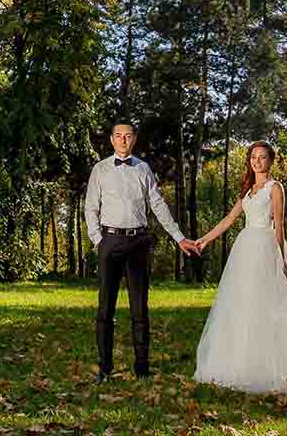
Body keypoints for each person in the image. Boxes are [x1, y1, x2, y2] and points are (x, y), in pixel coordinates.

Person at [192, 140, 287, 393]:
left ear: (270, 161)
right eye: (253, 157)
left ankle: (278, 366)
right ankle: (239, 362)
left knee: (271, 304)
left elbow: (280, 224)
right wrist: (205, 239)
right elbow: (230, 219)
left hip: (265, 246)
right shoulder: (248, 190)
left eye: (262, 157)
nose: (257, 161)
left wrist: (282, 257)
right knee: (242, 303)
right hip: (245, 249)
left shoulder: (275, 187)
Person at [84, 121, 200, 381]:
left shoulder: (143, 168)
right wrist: (97, 240)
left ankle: (142, 368)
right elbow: (90, 207)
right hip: (109, 242)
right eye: (118, 136)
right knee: (105, 310)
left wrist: (179, 238)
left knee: (140, 308)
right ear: (112, 140)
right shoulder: (100, 169)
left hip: (138, 243)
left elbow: (158, 205)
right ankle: (104, 368)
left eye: (128, 136)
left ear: (134, 139)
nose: (123, 140)